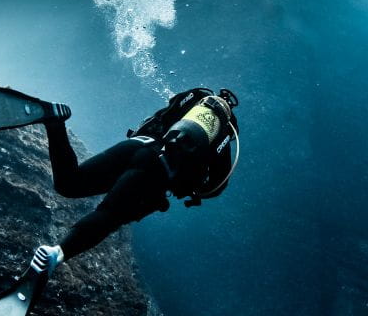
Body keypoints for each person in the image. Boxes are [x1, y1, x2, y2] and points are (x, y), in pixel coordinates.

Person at [30, 87, 240, 274]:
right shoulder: (223, 138)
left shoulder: (192, 99)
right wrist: (193, 191)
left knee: (69, 183)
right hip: (157, 169)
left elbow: (163, 114)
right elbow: (216, 186)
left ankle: (55, 123)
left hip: (136, 145)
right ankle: (57, 254)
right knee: (110, 215)